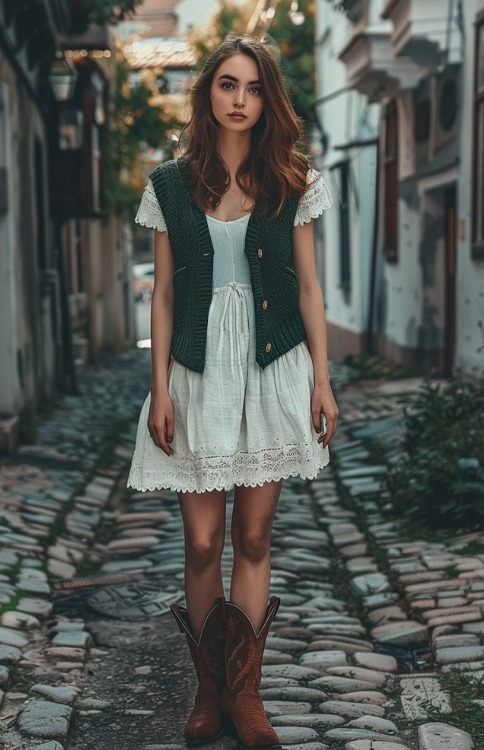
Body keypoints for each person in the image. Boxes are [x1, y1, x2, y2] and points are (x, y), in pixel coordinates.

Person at [128, 33, 338, 750]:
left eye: (252, 87)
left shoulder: (294, 179)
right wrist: (158, 389)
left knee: (252, 536)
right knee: (200, 540)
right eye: (227, 85)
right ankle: (207, 687)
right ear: (208, 93)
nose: (240, 99)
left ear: (266, 97)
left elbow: (309, 289)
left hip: (273, 365)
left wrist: (324, 381)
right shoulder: (169, 184)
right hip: (194, 370)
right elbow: (160, 297)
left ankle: (244, 696)